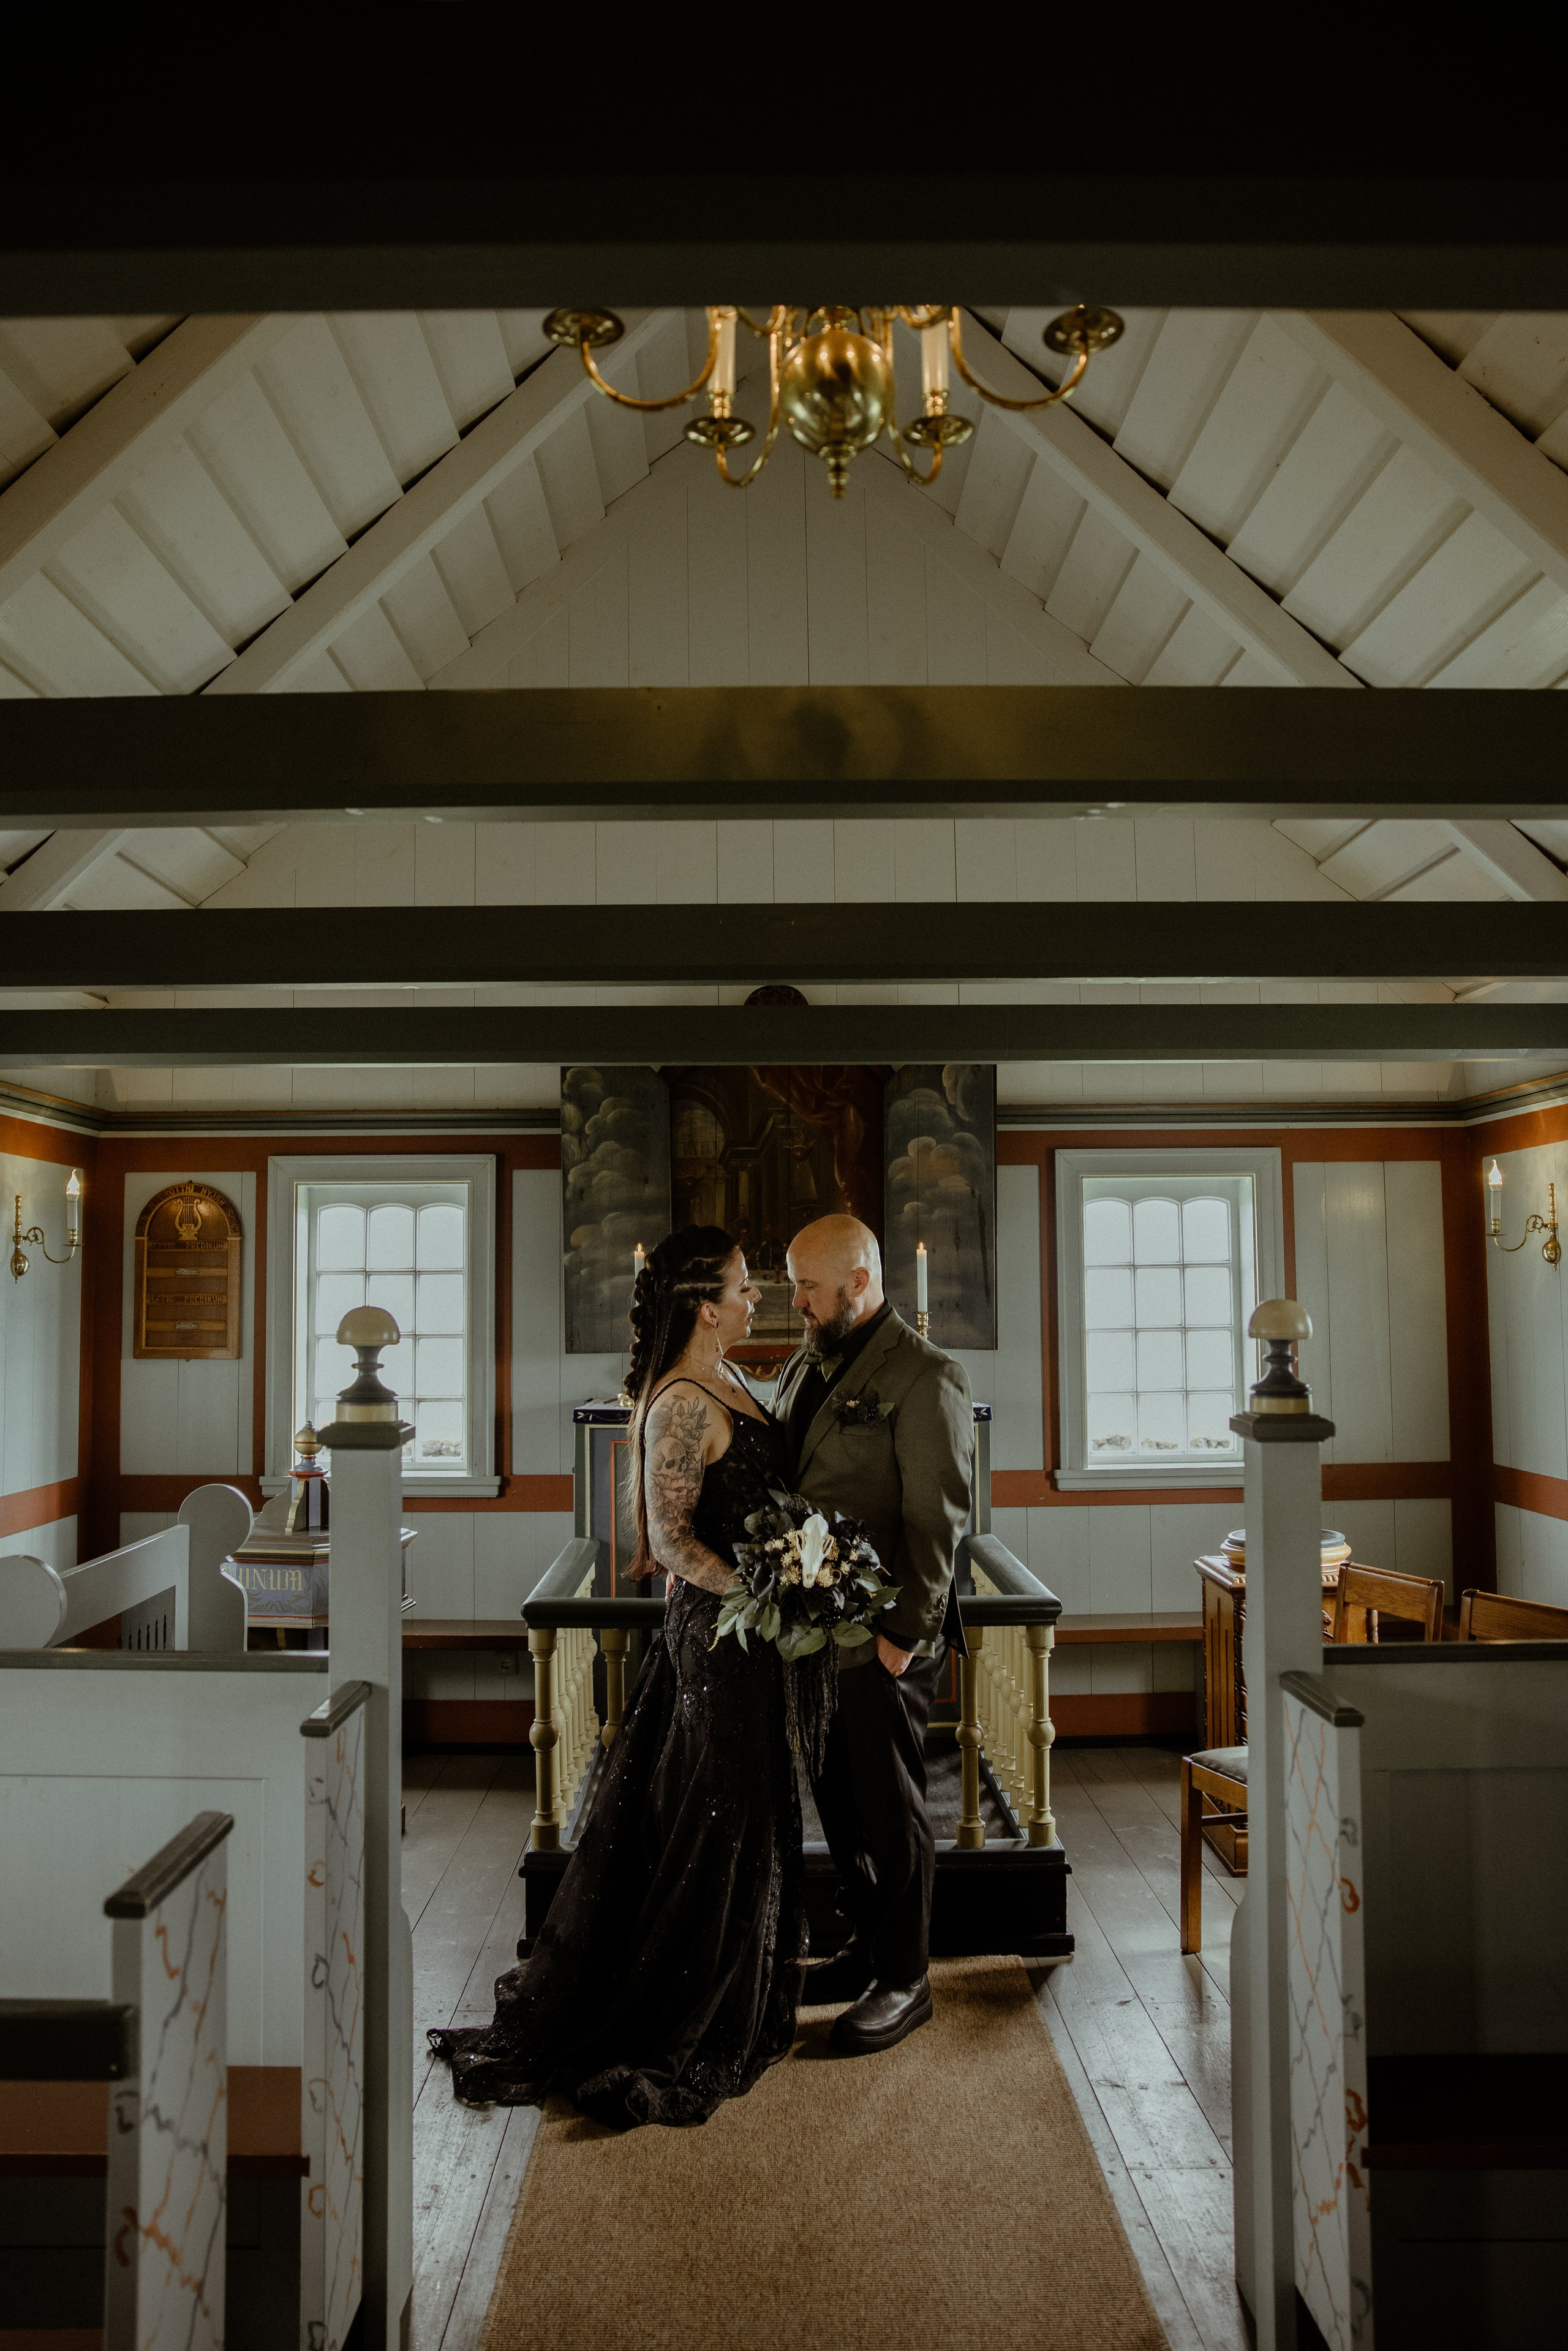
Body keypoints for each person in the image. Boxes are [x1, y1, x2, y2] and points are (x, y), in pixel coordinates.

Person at [427, 1226, 805, 2127]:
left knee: (744, 1812)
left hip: (750, 1636)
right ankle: (675, 2014)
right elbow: (671, 1541)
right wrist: (763, 1592)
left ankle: (737, 1992)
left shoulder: (735, 1379)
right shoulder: (679, 1401)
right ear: (705, 1304)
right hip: (718, 1638)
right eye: (745, 1288)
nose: (759, 1300)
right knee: (711, 1815)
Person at [774, 1214, 973, 2056]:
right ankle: (863, 1948)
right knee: (840, 1801)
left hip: (885, 1635)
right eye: (792, 1286)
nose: (797, 1303)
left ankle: (906, 1977)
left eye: (809, 1286)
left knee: (890, 1810)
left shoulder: (926, 1375)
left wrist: (904, 1637)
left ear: (859, 1281)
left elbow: (939, 1516)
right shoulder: (804, 1362)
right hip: (815, 1638)